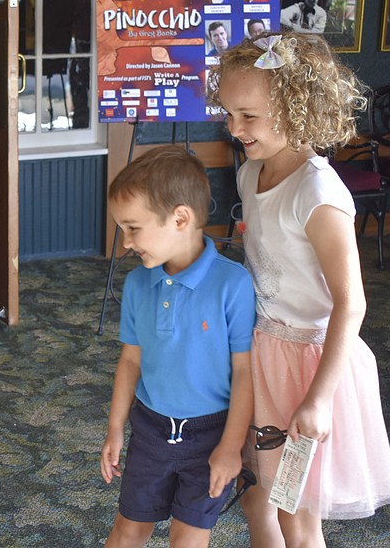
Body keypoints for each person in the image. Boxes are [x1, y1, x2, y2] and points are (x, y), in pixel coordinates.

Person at [207, 32, 390, 547]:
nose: (234, 127)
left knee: (294, 508)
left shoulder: (318, 191)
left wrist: (317, 399)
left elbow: (351, 301)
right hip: (264, 351)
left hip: (310, 366)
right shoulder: (251, 174)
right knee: (255, 490)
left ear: (297, 109)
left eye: (248, 115)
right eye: (228, 113)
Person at [100, 145, 256, 548]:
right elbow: (130, 360)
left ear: (181, 218)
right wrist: (116, 428)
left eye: (133, 228)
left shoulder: (232, 284)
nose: (126, 243)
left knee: (188, 540)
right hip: (150, 431)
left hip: (211, 437)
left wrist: (230, 446)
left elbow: (245, 372)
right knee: (128, 530)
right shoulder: (137, 284)